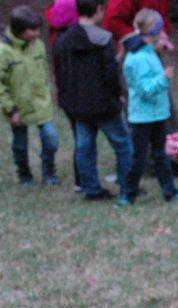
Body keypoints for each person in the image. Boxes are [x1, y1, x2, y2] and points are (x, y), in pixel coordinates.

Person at [53, 0, 133, 201]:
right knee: (123, 144)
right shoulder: (103, 39)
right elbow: (110, 73)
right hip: (103, 104)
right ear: (99, 9)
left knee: (84, 147)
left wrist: (65, 98)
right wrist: (118, 95)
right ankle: (128, 187)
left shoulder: (62, 41)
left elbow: (60, 73)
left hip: (77, 105)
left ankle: (91, 189)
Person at [0, 6, 59, 186]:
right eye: (32, 30)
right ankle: (24, 175)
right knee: (20, 144)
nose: (37, 33)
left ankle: (49, 172)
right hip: (17, 107)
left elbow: (44, 71)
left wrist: (48, 92)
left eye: (37, 29)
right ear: (19, 30)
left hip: (41, 103)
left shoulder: (38, 46)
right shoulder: (1, 52)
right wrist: (10, 110)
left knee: (51, 139)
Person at [119, 9, 178, 205]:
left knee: (161, 155)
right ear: (153, 32)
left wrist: (160, 47)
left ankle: (170, 191)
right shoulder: (137, 58)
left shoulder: (149, 51)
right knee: (139, 158)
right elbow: (144, 90)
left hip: (157, 114)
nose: (164, 34)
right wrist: (164, 78)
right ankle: (128, 193)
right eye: (161, 30)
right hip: (142, 118)